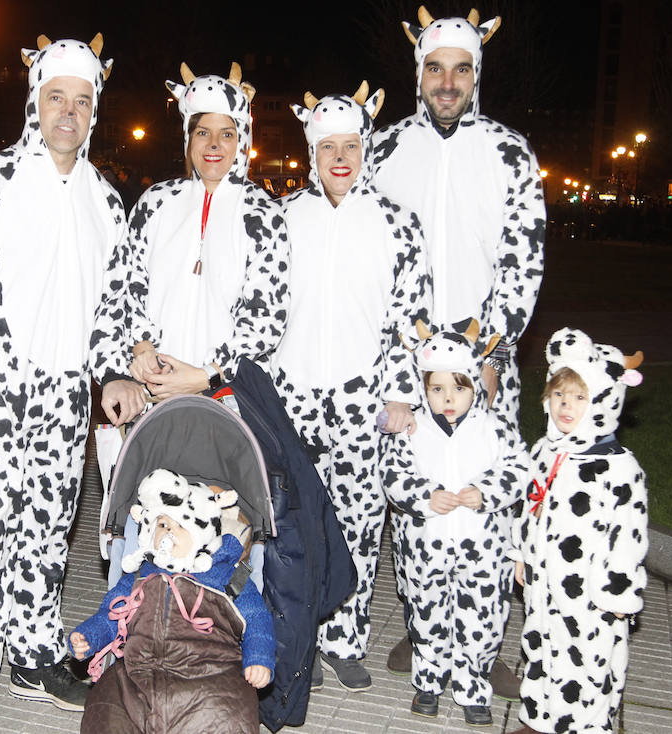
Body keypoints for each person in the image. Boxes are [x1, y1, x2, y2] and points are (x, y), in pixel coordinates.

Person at [0, 34, 145, 734]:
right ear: (35, 101)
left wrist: (111, 373)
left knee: (49, 534)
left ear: (95, 110)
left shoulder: (106, 201)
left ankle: (31, 654)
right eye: (58, 98)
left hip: (63, 398)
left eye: (83, 101)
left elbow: (117, 303)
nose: (70, 113)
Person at [372, 6, 546, 689]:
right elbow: (373, 257)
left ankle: (480, 648)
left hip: (482, 363)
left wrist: (494, 354)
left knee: (487, 498)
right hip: (405, 359)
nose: (448, 82)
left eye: (461, 69)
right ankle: (423, 638)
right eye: (436, 68)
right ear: (419, 72)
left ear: (478, 75)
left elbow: (523, 263)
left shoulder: (509, 152)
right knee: (416, 501)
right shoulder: (383, 149)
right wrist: (391, 362)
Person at [272, 83, 432, 690]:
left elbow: (408, 318)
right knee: (295, 519)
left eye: (351, 145)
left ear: (366, 148)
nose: (340, 158)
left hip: (365, 394)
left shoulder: (397, 223)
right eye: (327, 146)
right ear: (311, 152)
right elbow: (263, 306)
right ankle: (301, 637)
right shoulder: (283, 216)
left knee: (360, 519)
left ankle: (345, 639)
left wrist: (399, 391)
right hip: (294, 392)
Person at [92, 63, 289, 400]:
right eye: (202, 132)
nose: (214, 144)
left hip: (229, 396)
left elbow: (267, 319)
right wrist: (142, 348)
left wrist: (206, 375)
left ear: (242, 139)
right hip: (154, 392)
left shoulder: (264, 215)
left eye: (227, 133)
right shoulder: (156, 202)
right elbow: (128, 285)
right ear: (188, 136)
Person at [379, 319, 527, 725]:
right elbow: (394, 475)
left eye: (459, 388)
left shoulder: (496, 429)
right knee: (427, 615)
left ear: (475, 386)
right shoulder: (413, 430)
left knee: (482, 618)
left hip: (483, 551)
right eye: (437, 388)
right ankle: (428, 682)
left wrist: (488, 492)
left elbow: (518, 471)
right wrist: (424, 496)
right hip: (427, 548)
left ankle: (474, 685)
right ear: (423, 388)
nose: (448, 398)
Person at [508, 328, 648, 734]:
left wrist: (619, 590)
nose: (566, 407)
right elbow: (530, 505)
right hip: (544, 582)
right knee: (540, 648)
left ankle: (583, 726)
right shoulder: (545, 451)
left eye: (580, 398)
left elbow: (629, 535)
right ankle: (539, 719)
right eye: (559, 396)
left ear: (605, 401)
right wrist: (520, 554)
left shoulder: (618, 467)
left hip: (590, 592)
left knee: (586, 661)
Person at [70, 469, 275, 733]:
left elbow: (258, 620)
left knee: (229, 712)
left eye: (181, 527)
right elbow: (110, 617)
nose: (169, 533)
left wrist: (259, 658)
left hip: (210, 673)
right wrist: (89, 636)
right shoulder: (140, 575)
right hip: (138, 671)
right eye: (164, 524)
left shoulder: (227, 576)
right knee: (106, 704)